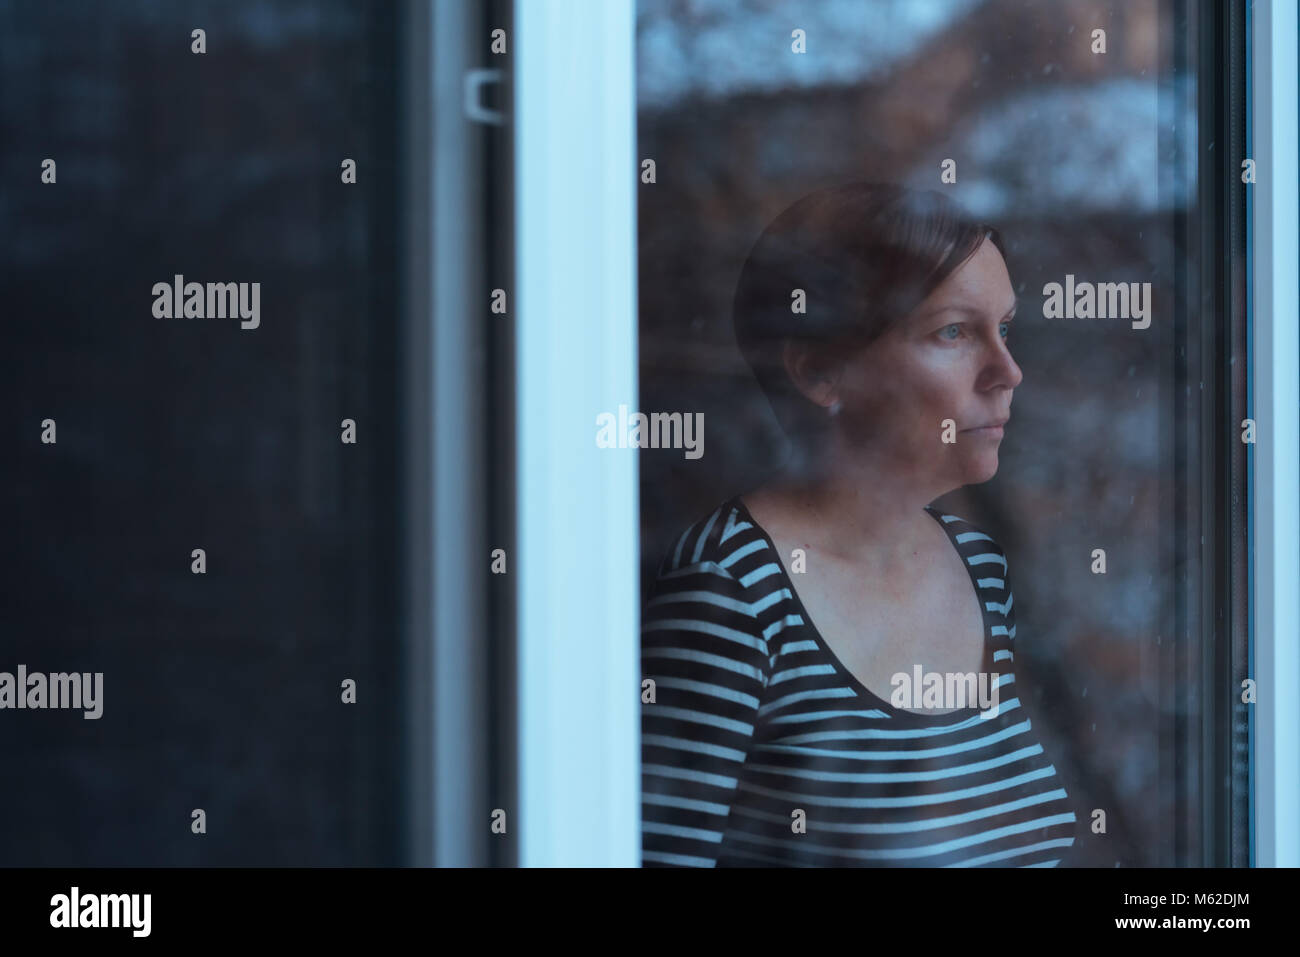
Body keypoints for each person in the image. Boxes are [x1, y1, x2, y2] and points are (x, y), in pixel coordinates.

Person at [640, 182, 1078, 867]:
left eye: (1007, 327)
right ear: (821, 372)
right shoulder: (731, 592)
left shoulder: (978, 567)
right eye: (954, 331)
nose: (1008, 370)